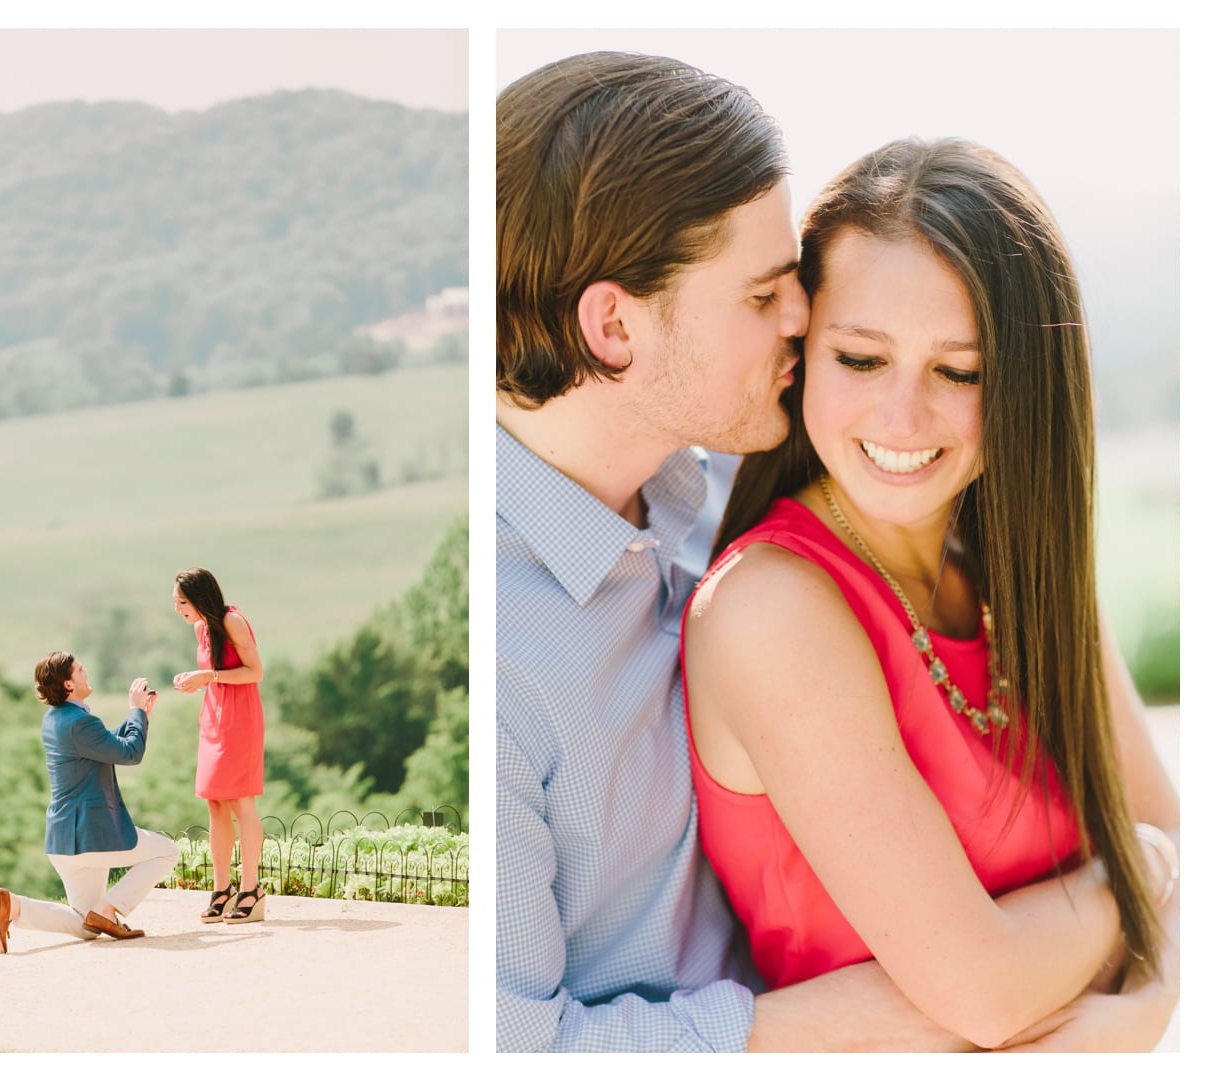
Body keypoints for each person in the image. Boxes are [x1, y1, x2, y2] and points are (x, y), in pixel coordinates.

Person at [496, 50, 1176, 1053]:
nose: (801, 319)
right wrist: (1122, 931)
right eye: (767, 293)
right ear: (612, 325)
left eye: (960, 368)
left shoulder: (707, 493)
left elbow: (1157, 847)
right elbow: (511, 1054)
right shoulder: (515, 643)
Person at [682, 137, 1180, 1048]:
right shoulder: (770, 609)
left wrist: (1138, 974)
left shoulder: (1017, 565)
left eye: (960, 371)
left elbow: (1172, 844)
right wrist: (1138, 877)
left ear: (1026, 387)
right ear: (802, 353)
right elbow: (986, 991)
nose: (902, 419)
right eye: (862, 360)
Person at [0, 651, 179, 953]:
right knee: (166, 852)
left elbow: (107, 746)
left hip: (64, 842)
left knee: (86, 927)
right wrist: (135, 711)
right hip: (91, 836)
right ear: (67, 685)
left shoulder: (57, 719)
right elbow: (129, 754)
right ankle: (109, 909)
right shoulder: (79, 722)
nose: (85, 670)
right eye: (78, 670)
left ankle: (14, 907)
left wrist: (139, 717)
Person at [172, 567, 267, 924]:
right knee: (214, 801)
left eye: (182, 601)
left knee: (241, 798)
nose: (179, 608)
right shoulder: (201, 627)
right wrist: (195, 680)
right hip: (214, 715)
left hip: (240, 717)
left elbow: (255, 672)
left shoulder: (232, 622)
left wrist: (207, 676)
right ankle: (223, 887)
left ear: (199, 599)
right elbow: (213, 672)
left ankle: (251, 888)